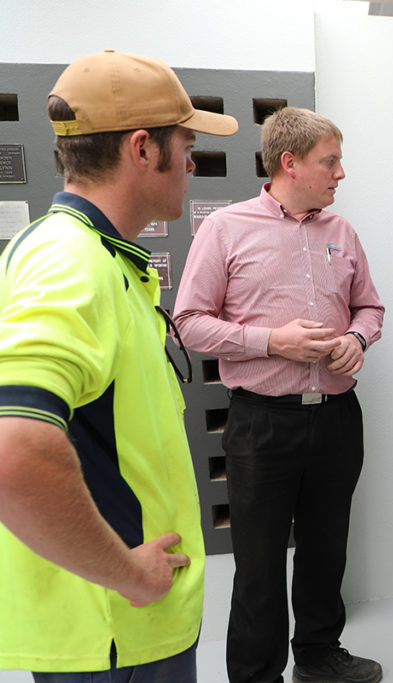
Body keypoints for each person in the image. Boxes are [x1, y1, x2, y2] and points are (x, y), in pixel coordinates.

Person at [0, 51, 237, 681]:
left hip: (124, 623)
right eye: (185, 144)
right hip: (116, 630)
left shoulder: (94, 255)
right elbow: (13, 450)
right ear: (142, 149)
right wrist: (128, 573)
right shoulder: (71, 261)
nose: (191, 162)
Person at [173, 106, 384, 683]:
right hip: (262, 424)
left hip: (338, 418)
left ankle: (317, 656)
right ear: (290, 163)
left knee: (326, 550)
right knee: (259, 566)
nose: (340, 173)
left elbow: (370, 306)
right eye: (331, 161)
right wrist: (275, 343)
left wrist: (357, 338)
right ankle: (255, 674)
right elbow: (188, 323)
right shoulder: (225, 228)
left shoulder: (342, 232)